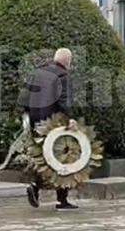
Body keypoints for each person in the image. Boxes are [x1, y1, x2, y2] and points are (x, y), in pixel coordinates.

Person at [17, 48, 79, 210]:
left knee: (42, 157)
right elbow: (64, 98)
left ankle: (35, 185)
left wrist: (28, 119)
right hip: (54, 124)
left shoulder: (36, 73)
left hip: (35, 123)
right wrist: (71, 117)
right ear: (67, 62)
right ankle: (62, 200)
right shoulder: (62, 76)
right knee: (64, 157)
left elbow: (23, 99)